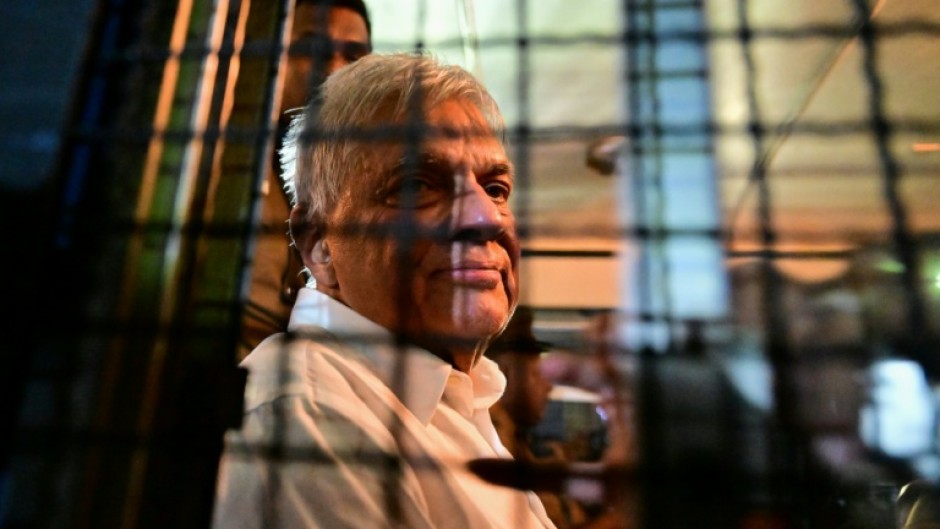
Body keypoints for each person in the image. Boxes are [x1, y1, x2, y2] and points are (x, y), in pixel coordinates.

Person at [212, 53, 556, 529]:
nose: (487, 218)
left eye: (495, 188)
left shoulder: (452, 400)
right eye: (418, 186)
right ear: (320, 245)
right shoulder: (310, 415)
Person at [240, 0, 372, 358]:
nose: (332, 70)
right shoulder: (225, 168)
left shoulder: (361, 204)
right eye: (310, 49)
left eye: (353, 59)